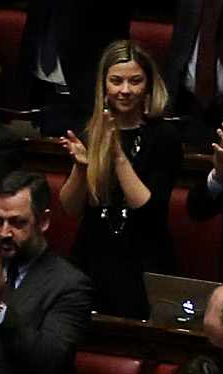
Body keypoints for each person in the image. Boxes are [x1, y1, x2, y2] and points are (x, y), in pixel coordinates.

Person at [59, 42, 180, 314]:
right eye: (116, 81)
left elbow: (149, 210)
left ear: (148, 85)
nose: (125, 90)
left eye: (135, 81)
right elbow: (70, 208)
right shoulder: (90, 131)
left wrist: (116, 154)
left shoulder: (163, 137)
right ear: (104, 85)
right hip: (93, 257)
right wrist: (80, 169)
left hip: (143, 261)